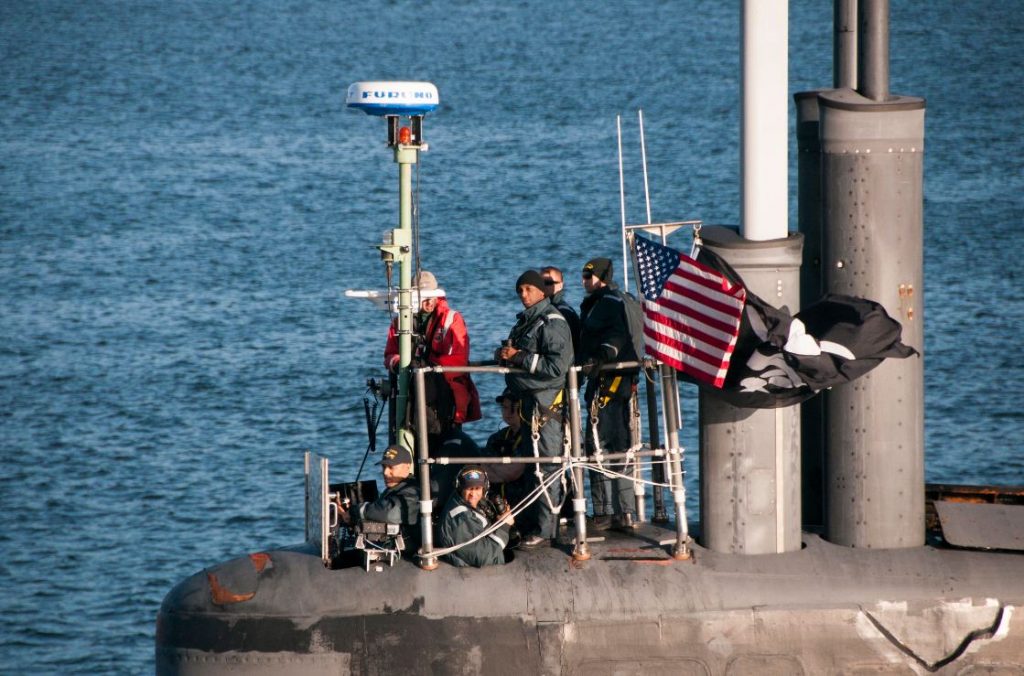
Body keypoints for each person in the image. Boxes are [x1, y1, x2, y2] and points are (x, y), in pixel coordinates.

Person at [495, 270, 574, 548]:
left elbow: (557, 368)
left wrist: (520, 357)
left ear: (542, 291)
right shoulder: (527, 323)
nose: (523, 295)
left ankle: (546, 529)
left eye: (528, 289)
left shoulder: (552, 322)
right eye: (520, 290)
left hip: (547, 408)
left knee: (547, 467)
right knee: (533, 466)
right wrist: (504, 355)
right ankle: (532, 523)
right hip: (530, 408)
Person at [579, 257, 639, 531]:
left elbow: (617, 335)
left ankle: (609, 512)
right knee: (614, 443)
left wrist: (599, 357)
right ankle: (619, 511)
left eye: (588, 276)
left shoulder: (609, 303)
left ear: (602, 277)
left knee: (602, 443)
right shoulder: (606, 301)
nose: (584, 281)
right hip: (608, 381)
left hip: (611, 383)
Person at [383, 270, 481, 437]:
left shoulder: (452, 319)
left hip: (446, 396)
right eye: (423, 297)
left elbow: (459, 360)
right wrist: (399, 363)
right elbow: (390, 354)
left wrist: (428, 365)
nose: (428, 301)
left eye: (431, 296)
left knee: (446, 442)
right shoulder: (400, 321)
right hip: (413, 396)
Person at [338, 445, 420, 548]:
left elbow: (389, 513)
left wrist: (356, 510)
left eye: (391, 467)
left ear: (407, 467)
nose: (385, 472)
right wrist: (348, 516)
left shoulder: (414, 491)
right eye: (384, 467)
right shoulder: (394, 489)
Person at [438, 466, 513, 568]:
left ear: (484, 489)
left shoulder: (468, 502)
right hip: (477, 574)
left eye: (477, 488)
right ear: (460, 489)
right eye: (469, 489)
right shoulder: (461, 518)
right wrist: (504, 527)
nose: (473, 494)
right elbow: (483, 557)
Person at [484, 389, 530, 510]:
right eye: (504, 407)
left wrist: (494, 469)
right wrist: (501, 471)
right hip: (497, 503)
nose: (508, 412)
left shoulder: (533, 438)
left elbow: (512, 472)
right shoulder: (496, 438)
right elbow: (483, 470)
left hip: (524, 503)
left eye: (514, 408)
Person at [540, 266, 581, 357]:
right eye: (540, 283)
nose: (543, 287)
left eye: (548, 283)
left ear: (561, 285)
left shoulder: (563, 312)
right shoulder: (544, 309)